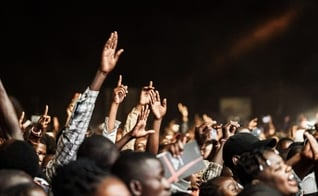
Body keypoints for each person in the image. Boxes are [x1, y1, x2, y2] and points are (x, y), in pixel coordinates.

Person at [44, 31, 124, 181]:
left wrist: (115, 105)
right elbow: (75, 130)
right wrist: (101, 73)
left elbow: (107, 144)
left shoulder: (95, 179)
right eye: (83, 137)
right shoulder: (64, 171)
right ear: (62, 146)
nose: (84, 137)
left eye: (87, 136)